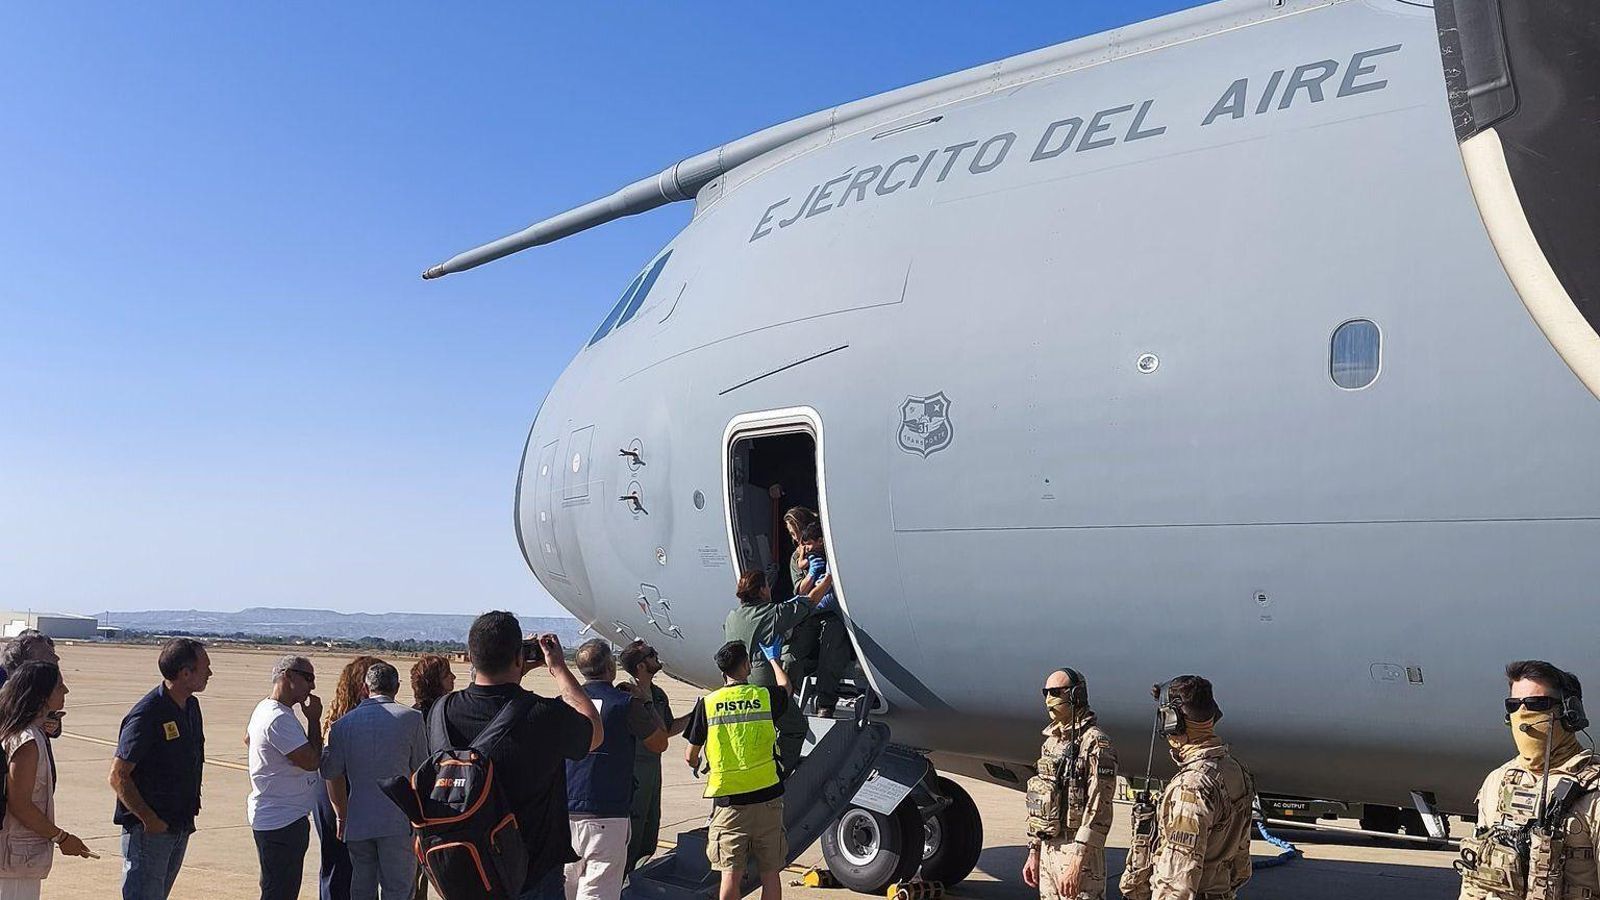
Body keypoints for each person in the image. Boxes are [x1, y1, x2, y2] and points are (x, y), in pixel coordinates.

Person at [437, 612, 601, 900]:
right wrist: (559, 668)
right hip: (530, 876)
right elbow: (594, 731)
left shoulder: (441, 711)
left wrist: (514, 669)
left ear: (473, 658)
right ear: (517, 657)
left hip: (469, 871)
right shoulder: (542, 714)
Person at [1457, 660, 1600, 900]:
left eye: (1537, 704)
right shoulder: (1498, 782)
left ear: (1569, 713)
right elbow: (1474, 881)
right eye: (1514, 705)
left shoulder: (1593, 791)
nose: (1523, 714)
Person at [1118, 676, 1253, 900]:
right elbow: (1241, 865)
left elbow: (1177, 883)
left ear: (1173, 721)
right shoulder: (1235, 771)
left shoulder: (1191, 787)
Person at [684, 641, 791, 900]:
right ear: (746, 666)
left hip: (730, 804)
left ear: (722, 671)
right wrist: (774, 660)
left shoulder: (709, 704)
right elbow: (786, 689)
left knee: (730, 876)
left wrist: (697, 763)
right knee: (770, 874)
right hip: (767, 798)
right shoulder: (763, 697)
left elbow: (690, 755)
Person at [563, 641, 669, 900]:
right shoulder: (625, 704)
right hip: (606, 814)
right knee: (598, 889)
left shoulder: (563, 702)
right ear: (610, 667)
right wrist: (644, 701)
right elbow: (659, 743)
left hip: (564, 811)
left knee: (564, 887)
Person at [109, 638, 211, 900]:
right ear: (185, 673)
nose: (210, 673)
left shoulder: (190, 707)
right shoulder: (148, 714)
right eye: (205, 667)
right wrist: (149, 819)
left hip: (178, 825)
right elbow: (119, 775)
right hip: (151, 831)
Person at [323, 660, 428, 900]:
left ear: (365, 688)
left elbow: (330, 771)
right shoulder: (411, 718)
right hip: (397, 820)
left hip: (359, 820)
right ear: (397, 687)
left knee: (362, 888)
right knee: (398, 889)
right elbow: (421, 767)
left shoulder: (342, 725)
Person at [0, 661, 97, 899]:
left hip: (19, 857)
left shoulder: (25, 732)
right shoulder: (27, 741)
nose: (66, 691)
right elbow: (20, 804)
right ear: (42, 696)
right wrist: (61, 837)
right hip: (14, 859)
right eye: (59, 687)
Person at [1022, 668, 1117, 900]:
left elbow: (1099, 807)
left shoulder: (1095, 743)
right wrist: (1034, 850)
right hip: (1049, 849)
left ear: (1075, 695)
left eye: (1055, 692)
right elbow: (1040, 802)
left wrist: (1077, 860)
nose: (1048, 699)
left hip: (1078, 852)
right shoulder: (1051, 743)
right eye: (1045, 693)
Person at [723, 569, 831, 774]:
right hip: (763, 684)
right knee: (795, 727)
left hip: (735, 683)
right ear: (762, 589)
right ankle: (778, 771)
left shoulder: (732, 617)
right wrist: (829, 578)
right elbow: (810, 601)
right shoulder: (771, 613)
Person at [247, 655, 324, 900]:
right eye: (308, 678)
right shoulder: (278, 718)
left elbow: (247, 739)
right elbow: (312, 761)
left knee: (275, 887)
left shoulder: (265, 708)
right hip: (283, 820)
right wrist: (314, 720)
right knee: (281, 891)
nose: (312, 686)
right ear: (288, 675)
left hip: (277, 815)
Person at [619, 640, 689, 875]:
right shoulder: (625, 693)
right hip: (632, 774)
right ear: (640, 666)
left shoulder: (658, 695)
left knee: (649, 832)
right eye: (651, 654)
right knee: (630, 835)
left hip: (652, 774)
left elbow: (666, 729)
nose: (656, 656)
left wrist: (696, 715)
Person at [316, 656, 379, 900]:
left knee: (337, 867)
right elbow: (336, 772)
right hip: (339, 796)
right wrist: (342, 812)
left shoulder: (339, 718)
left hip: (332, 795)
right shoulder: (350, 723)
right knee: (343, 867)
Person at [407, 655, 455, 899]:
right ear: (435, 681)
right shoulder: (446, 713)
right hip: (435, 801)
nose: (454, 679)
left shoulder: (412, 714)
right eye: (448, 675)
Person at [795, 522, 852, 718]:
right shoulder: (805, 556)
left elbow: (825, 596)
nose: (804, 547)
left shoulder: (831, 556)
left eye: (808, 543)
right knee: (796, 650)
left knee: (833, 647)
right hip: (814, 609)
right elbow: (801, 587)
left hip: (828, 610)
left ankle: (825, 702)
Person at [778, 508, 823, 689]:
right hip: (809, 612)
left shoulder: (823, 547)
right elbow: (801, 590)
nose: (795, 538)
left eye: (795, 533)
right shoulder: (797, 557)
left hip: (829, 611)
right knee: (790, 656)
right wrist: (812, 574)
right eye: (792, 534)